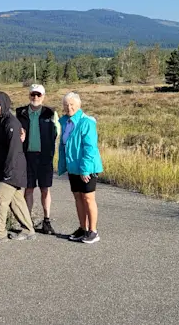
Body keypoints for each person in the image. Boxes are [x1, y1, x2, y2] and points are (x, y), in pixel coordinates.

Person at [0, 92, 36, 243]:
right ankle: (29, 230)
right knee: (16, 201)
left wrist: (8, 171)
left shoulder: (11, 123)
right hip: (7, 169)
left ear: (4, 104)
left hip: (12, 169)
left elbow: (14, 149)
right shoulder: (1, 121)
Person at [58, 92, 104, 244]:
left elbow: (90, 148)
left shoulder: (86, 122)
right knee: (78, 197)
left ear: (79, 105)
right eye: (66, 105)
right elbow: (64, 145)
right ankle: (83, 228)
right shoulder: (64, 122)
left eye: (72, 104)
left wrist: (85, 170)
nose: (69, 107)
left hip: (87, 168)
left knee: (88, 198)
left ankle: (93, 231)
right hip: (73, 167)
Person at [15, 84, 59, 235]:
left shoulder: (50, 113)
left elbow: (57, 133)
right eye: (33, 94)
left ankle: (46, 221)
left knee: (45, 189)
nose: (35, 97)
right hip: (27, 156)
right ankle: (27, 222)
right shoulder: (20, 113)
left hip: (45, 157)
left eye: (38, 95)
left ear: (43, 96)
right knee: (28, 189)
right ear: (29, 95)